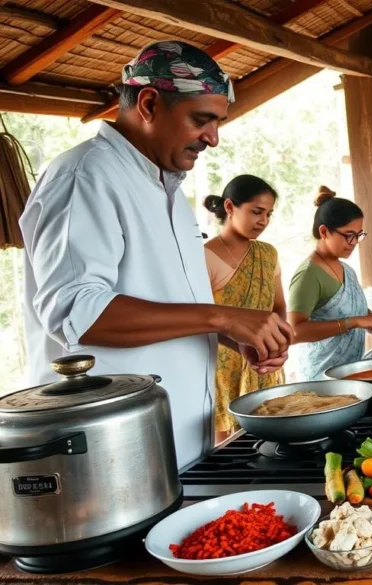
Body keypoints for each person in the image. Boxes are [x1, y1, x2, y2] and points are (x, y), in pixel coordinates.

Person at [20, 41, 292, 470]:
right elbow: (77, 311)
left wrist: (231, 336)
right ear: (148, 103)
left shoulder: (165, 186)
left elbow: (166, 305)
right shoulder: (87, 175)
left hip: (177, 441)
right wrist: (222, 317)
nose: (213, 138)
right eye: (201, 120)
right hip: (113, 457)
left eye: (217, 123)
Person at [203, 175, 287, 443]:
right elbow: (199, 320)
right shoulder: (204, 256)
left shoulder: (268, 253)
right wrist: (239, 343)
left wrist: (278, 344)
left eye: (269, 214)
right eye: (256, 212)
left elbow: (278, 306)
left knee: (274, 432)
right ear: (229, 207)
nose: (263, 221)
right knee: (228, 443)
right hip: (223, 365)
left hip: (266, 360)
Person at [288, 187, 372, 380]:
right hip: (321, 379)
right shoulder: (308, 275)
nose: (354, 242)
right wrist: (355, 322)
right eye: (349, 235)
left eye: (359, 235)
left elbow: (359, 314)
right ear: (324, 231)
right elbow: (295, 332)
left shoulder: (347, 270)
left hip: (349, 373)